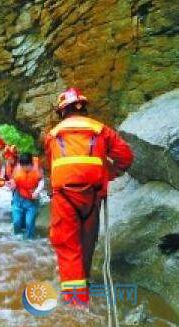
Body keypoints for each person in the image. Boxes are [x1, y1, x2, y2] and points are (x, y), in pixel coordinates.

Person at [44, 88, 134, 307]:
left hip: (65, 196)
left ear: (62, 111)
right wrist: (110, 172)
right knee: (86, 241)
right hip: (93, 196)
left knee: (67, 245)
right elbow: (126, 156)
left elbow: (51, 166)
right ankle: (84, 280)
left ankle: (76, 303)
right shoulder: (101, 130)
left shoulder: (53, 135)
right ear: (83, 108)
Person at [9, 153, 44, 240]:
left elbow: (42, 181)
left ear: (31, 164)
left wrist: (37, 191)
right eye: (23, 166)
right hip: (18, 198)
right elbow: (12, 182)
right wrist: (11, 185)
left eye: (27, 166)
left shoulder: (37, 168)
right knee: (16, 222)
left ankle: (29, 242)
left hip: (32, 200)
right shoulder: (17, 171)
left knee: (29, 223)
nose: (25, 168)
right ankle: (17, 241)